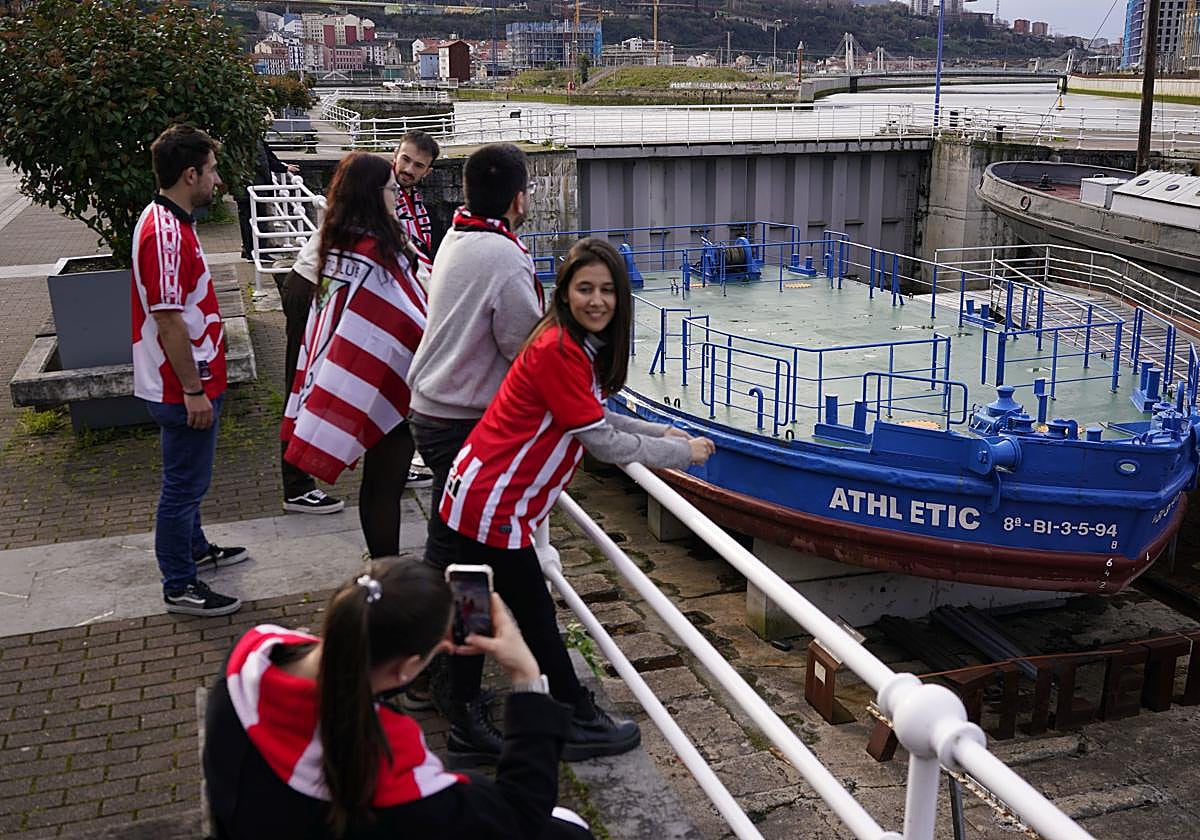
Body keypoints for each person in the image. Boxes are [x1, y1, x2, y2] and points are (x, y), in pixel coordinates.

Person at [439, 238, 716, 765]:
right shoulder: (559, 352)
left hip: (474, 493)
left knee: (471, 610)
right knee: (534, 616)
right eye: (584, 288)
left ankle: (464, 720)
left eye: (607, 290)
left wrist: (666, 434)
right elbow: (603, 442)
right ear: (563, 293)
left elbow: (597, 415)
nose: (597, 300)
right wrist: (681, 455)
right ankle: (574, 715)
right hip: (495, 505)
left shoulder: (568, 347)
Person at [204, 558, 595, 840]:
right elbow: (519, 814)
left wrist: (405, 661)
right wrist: (525, 675)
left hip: (251, 817)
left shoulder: (252, 657)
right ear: (405, 669)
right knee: (566, 830)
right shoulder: (389, 768)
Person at [406, 142, 542, 726]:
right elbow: (525, 348)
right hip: (462, 423)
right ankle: (457, 700)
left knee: (447, 558)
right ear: (518, 199)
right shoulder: (504, 258)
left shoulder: (457, 239)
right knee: (470, 570)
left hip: (432, 412)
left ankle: (424, 673)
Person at [280, 152, 426, 559]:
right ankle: (386, 565)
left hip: (360, 370)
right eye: (391, 189)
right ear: (371, 193)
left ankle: (383, 562)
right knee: (386, 480)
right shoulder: (373, 250)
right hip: (381, 377)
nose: (397, 195)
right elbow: (406, 314)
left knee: (380, 480)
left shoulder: (340, 240)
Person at [133, 124, 248, 617]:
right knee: (182, 486)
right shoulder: (164, 235)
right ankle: (179, 582)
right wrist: (193, 390)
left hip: (191, 378)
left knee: (189, 481)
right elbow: (168, 319)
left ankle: (195, 549)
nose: (217, 182)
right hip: (183, 385)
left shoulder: (173, 223)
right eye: (213, 171)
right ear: (189, 174)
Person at [392, 129, 442, 490]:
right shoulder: (384, 193)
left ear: (427, 171)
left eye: (418, 165)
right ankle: (399, 461)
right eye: (405, 159)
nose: (408, 169)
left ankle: (407, 456)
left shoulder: (413, 198)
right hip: (398, 300)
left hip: (419, 296)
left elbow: (423, 246)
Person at [236, 138, 299, 261]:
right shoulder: (254, 141)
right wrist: (279, 171)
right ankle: (258, 252)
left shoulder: (245, 139)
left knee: (248, 220)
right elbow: (265, 162)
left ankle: (250, 250)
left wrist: (283, 167)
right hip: (256, 186)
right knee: (258, 219)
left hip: (244, 186)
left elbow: (268, 158)